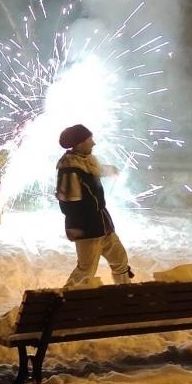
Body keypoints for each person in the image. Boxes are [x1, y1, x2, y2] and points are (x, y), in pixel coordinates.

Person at [55, 123, 133, 287]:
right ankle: (65, 302)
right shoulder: (70, 169)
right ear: (80, 143)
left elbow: (92, 172)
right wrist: (79, 227)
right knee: (86, 270)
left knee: (120, 260)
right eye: (90, 139)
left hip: (102, 225)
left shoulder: (85, 162)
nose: (93, 143)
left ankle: (125, 293)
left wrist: (109, 170)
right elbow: (68, 204)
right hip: (87, 229)